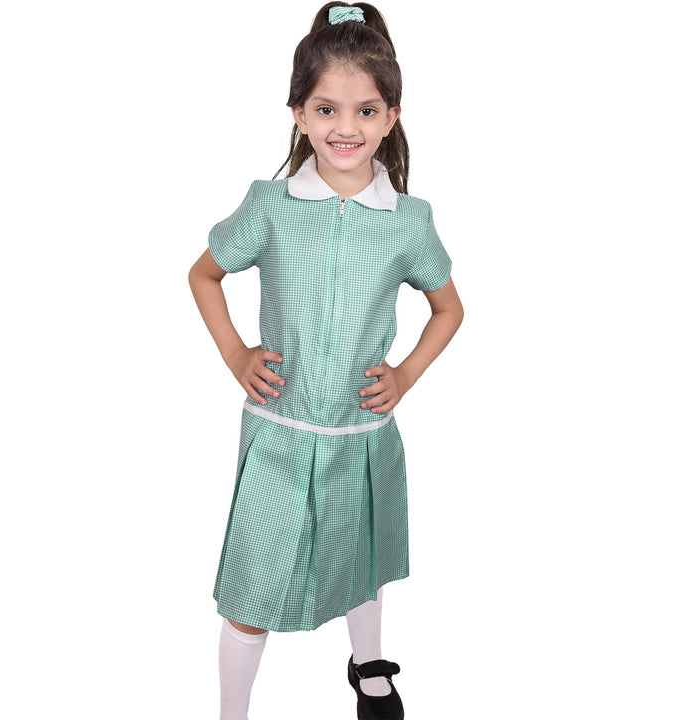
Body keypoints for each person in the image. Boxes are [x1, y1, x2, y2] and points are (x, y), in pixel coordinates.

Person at [188, 3, 464, 718]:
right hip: (281, 435)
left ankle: (369, 667)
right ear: (299, 115)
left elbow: (449, 309)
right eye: (327, 109)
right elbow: (204, 274)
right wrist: (236, 354)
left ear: (391, 116)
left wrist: (404, 375)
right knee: (252, 587)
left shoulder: (409, 222)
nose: (347, 127)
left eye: (366, 110)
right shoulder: (271, 206)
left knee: (360, 560)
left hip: (360, 436)